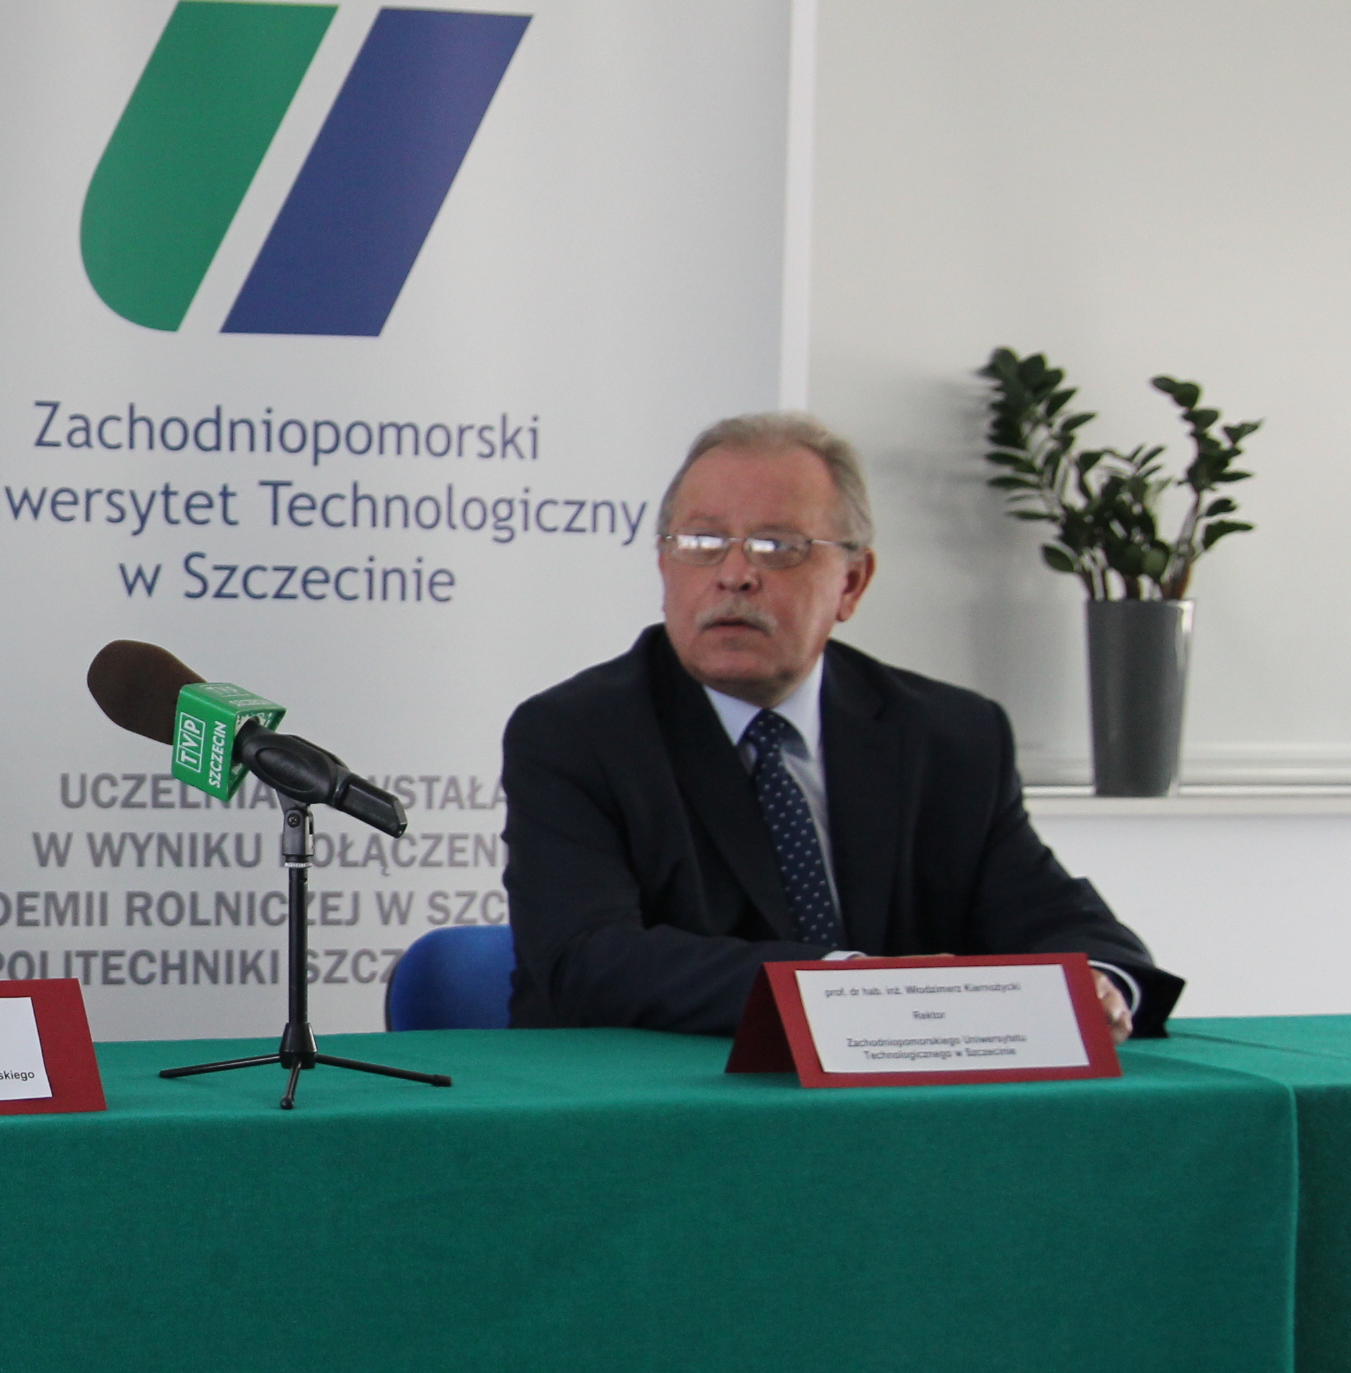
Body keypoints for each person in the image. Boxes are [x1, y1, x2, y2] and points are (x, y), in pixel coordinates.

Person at [504, 410, 1177, 1039]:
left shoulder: (951, 737)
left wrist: (1095, 983)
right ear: (663, 564)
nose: (734, 575)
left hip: (907, 1107)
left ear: (852, 582)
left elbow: (1056, 919)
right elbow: (589, 958)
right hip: (664, 1102)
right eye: (703, 543)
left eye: (777, 547)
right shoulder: (577, 734)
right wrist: (847, 986)